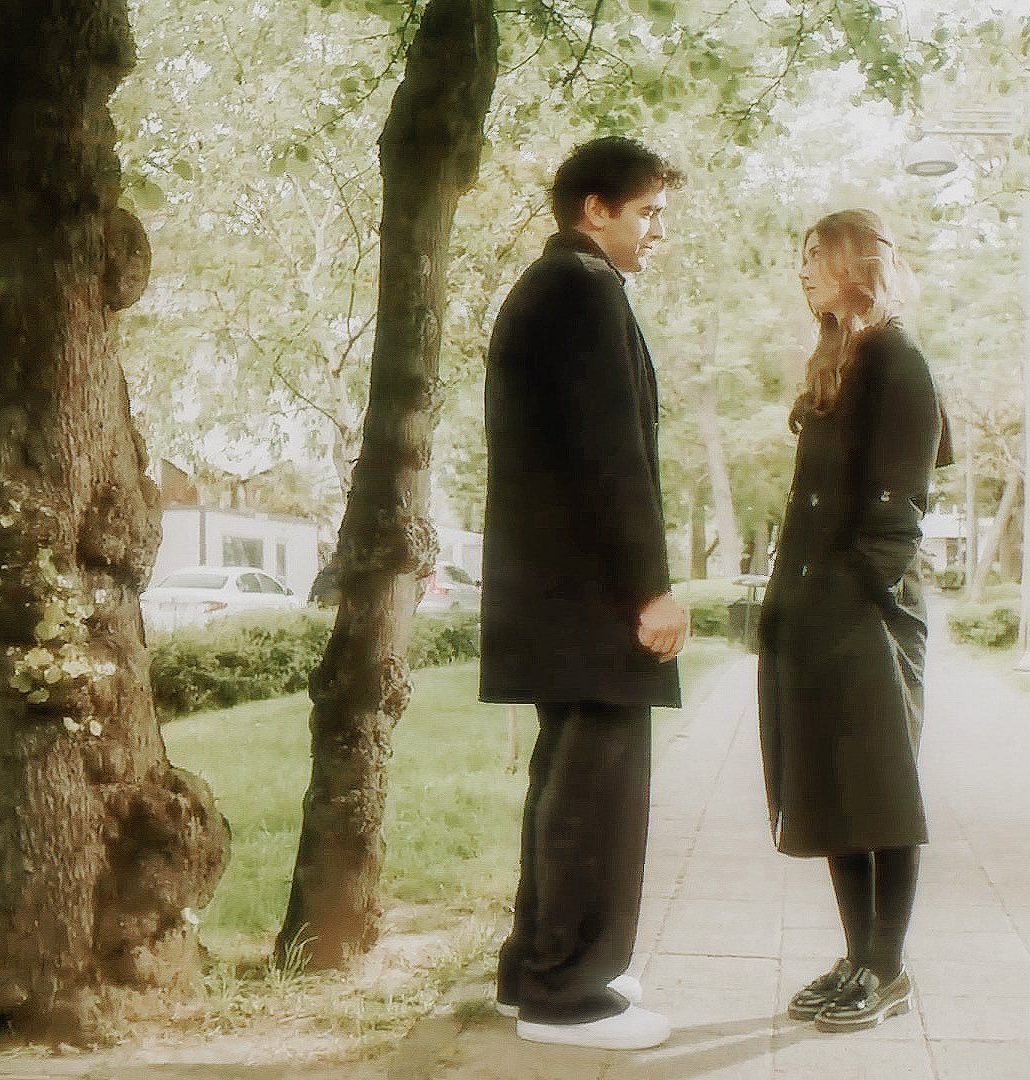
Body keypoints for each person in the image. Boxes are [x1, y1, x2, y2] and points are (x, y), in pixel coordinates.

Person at [479, 135, 690, 1052]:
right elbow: (613, 455)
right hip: (592, 591)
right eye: (647, 212)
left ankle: (535, 970)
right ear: (594, 208)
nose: (656, 231)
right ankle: (568, 994)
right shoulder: (584, 288)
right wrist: (651, 590)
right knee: (597, 796)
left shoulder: (551, 284)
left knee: (563, 786)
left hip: (554, 586)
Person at [757, 208, 952, 1033]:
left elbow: (900, 504)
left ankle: (889, 967)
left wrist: (859, 590)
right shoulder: (839, 357)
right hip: (814, 609)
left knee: (881, 790)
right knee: (834, 790)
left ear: (857, 264)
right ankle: (856, 956)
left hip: (868, 615)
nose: (802, 269)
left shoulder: (898, 358)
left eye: (816, 256)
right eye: (801, 256)